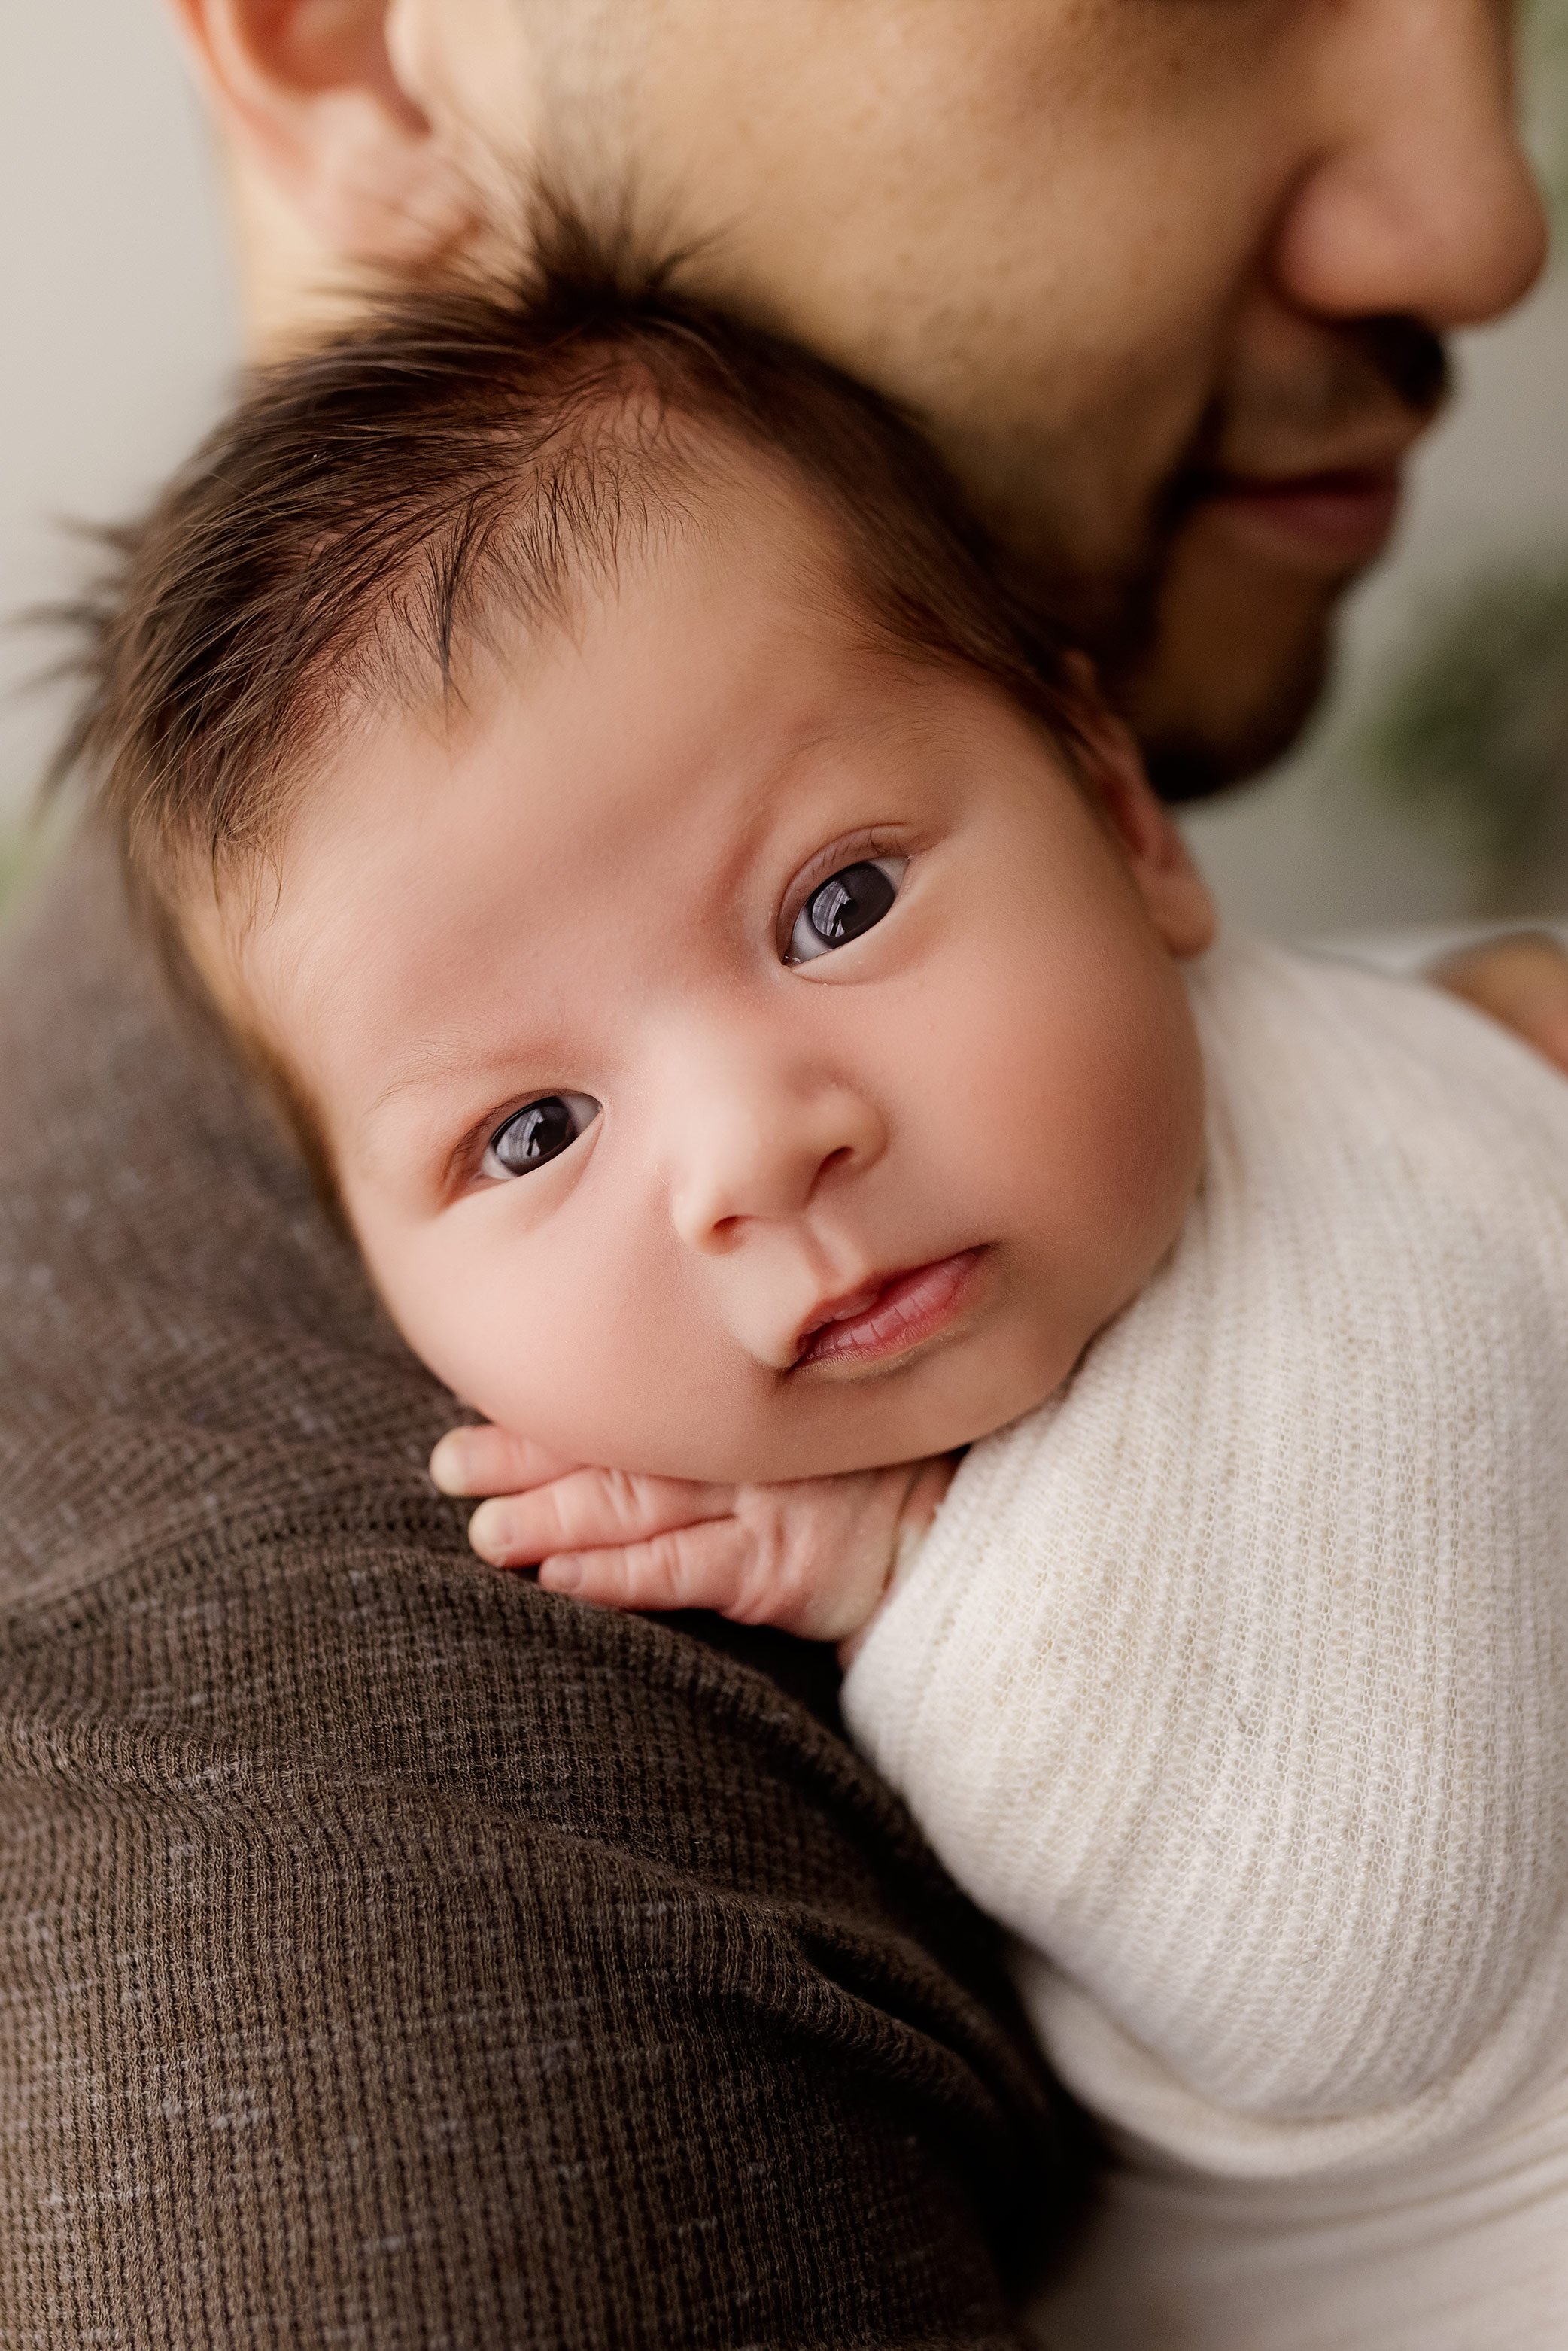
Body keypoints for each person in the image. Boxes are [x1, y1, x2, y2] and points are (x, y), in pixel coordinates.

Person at [0, 1, 1562, 2340]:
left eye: (840, 907)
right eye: (529, 1135)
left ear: (1110, 805)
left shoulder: (1316, 1062)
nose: (1485, 220)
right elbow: (1347, 1908)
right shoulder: (321, 1880)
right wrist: (893, 1570)